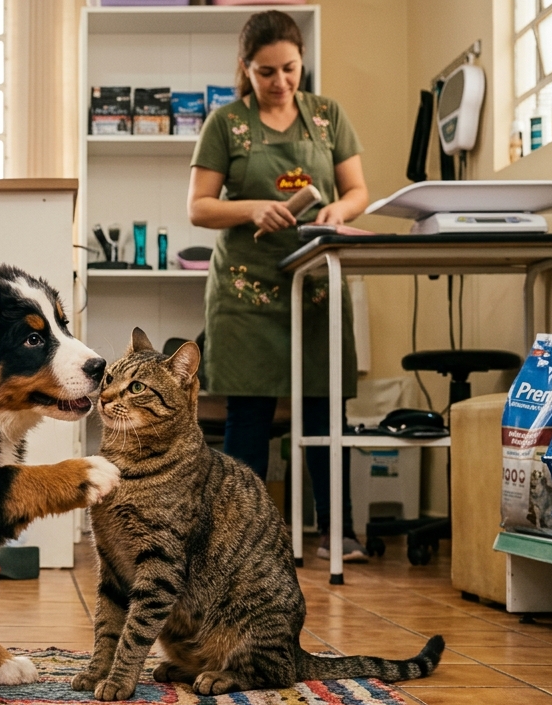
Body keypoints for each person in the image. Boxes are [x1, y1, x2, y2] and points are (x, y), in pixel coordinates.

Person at [187, 11, 370, 562]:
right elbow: (199, 208)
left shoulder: (327, 115)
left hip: (314, 286)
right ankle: (243, 542)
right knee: (249, 416)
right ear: (247, 69)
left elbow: (358, 189)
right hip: (246, 294)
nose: (280, 82)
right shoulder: (225, 123)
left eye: (289, 69)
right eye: (266, 72)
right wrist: (253, 209)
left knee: (323, 409)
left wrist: (340, 208)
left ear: (301, 61)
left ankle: (338, 532)